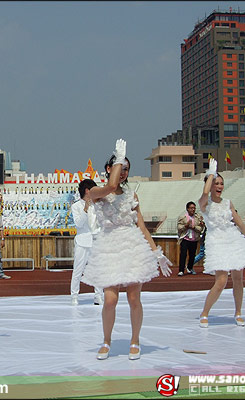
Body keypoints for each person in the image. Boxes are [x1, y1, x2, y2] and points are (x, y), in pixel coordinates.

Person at [81, 139, 172, 360]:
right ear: (109, 169)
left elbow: (141, 225)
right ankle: (106, 340)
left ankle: (135, 340)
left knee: (134, 299)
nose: (123, 172)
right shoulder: (96, 192)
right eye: (120, 167)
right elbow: (111, 187)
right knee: (110, 299)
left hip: (131, 245)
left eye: (126, 169)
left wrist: (156, 253)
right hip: (110, 245)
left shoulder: (132, 196)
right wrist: (119, 158)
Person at [198, 159, 245, 328]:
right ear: (210, 185)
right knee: (221, 281)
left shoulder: (228, 203)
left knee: (238, 278)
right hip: (217, 241)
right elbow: (204, 195)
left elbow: (239, 222)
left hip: (232, 239)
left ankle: (238, 312)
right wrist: (211, 173)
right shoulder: (204, 204)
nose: (219, 186)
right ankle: (205, 313)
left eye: (221, 183)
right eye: (216, 183)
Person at [70, 179, 104, 306]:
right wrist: (85, 208)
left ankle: (98, 295)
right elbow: (79, 224)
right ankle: (74, 296)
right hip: (82, 241)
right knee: (78, 270)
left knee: (98, 270)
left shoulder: (98, 205)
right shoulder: (76, 206)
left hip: (95, 240)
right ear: (87, 191)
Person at [177, 201, 204, 276]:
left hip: (194, 239)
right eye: (191, 208)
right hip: (185, 238)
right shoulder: (183, 217)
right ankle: (181, 270)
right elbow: (179, 227)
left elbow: (201, 228)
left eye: (194, 208)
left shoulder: (198, 217)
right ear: (187, 209)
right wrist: (185, 226)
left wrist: (193, 227)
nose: (193, 209)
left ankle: (190, 267)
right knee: (183, 254)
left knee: (192, 255)